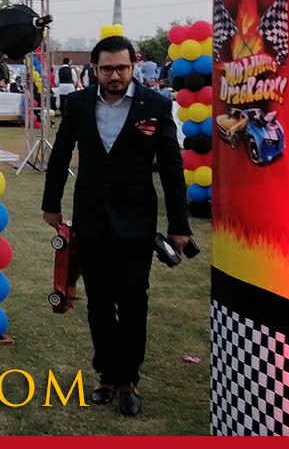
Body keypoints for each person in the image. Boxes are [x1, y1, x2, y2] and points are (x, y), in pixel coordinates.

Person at [41, 35, 190, 417]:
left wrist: (179, 224)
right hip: (91, 219)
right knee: (99, 302)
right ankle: (107, 376)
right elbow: (60, 155)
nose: (115, 76)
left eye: (122, 68)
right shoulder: (78, 103)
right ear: (95, 69)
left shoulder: (155, 104)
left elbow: (171, 167)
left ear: (133, 66)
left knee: (134, 299)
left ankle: (128, 380)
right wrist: (51, 204)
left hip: (136, 221)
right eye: (107, 69)